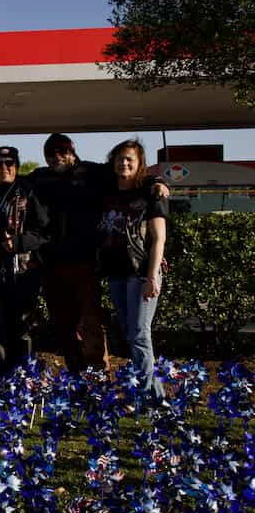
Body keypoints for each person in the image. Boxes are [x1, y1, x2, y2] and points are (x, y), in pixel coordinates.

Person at [27, 133, 168, 374]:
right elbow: (8, 180)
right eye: (50, 153)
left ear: (72, 152)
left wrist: (158, 180)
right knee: (62, 324)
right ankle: (75, 373)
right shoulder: (40, 177)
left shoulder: (91, 172)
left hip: (85, 262)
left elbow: (128, 173)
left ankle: (98, 373)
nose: (56, 157)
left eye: (62, 151)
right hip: (52, 263)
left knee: (91, 321)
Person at [97, 139, 168, 396]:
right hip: (116, 272)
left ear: (139, 165)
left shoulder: (151, 193)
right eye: (120, 158)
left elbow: (159, 238)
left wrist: (152, 276)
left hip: (140, 273)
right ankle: (152, 391)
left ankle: (151, 396)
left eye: (130, 159)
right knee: (130, 334)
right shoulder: (107, 189)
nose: (124, 163)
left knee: (139, 334)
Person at [0, 147, 50, 376]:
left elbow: (45, 233)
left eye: (9, 163)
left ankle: (22, 379)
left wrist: (18, 243)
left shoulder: (29, 192)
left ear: (16, 166)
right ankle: (1, 377)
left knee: (20, 328)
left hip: (22, 272)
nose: (4, 168)